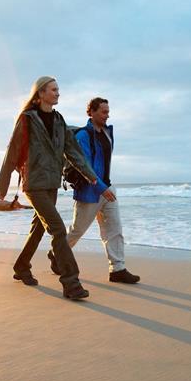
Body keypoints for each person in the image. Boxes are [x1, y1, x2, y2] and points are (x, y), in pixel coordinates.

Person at [0, 76, 107, 300]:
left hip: (52, 183)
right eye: (54, 90)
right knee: (57, 229)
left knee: (38, 228)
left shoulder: (58, 119)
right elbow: (12, 150)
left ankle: (21, 266)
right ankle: (71, 283)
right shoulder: (27, 119)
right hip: (34, 184)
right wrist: (3, 182)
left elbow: (72, 150)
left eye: (58, 90)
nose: (58, 93)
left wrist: (91, 175)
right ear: (41, 93)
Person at [49, 97, 140, 284]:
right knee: (77, 231)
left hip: (107, 188)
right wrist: (100, 187)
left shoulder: (107, 133)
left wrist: (106, 187)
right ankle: (56, 254)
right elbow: (85, 167)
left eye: (108, 111)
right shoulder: (83, 136)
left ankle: (117, 269)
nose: (108, 115)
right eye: (104, 111)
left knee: (114, 230)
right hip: (90, 190)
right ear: (91, 112)